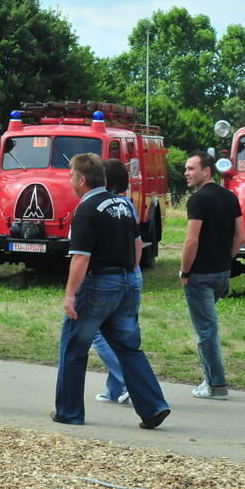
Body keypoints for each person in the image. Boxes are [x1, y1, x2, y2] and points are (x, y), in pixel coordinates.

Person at [53, 153, 170, 429]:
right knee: (129, 348)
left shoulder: (86, 209)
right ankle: (153, 406)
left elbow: (81, 257)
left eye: (71, 175)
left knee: (73, 347)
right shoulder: (121, 203)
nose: (69, 180)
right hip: (127, 280)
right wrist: (130, 273)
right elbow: (138, 244)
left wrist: (70, 294)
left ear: (81, 180)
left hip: (98, 284)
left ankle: (69, 412)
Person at [180, 151, 244, 400]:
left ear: (206, 171)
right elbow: (241, 237)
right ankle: (210, 377)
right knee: (207, 327)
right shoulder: (230, 197)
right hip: (222, 274)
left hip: (200, 275)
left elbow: (191, 240)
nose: (186, 173)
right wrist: (226, 260)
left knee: (205, 331)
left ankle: (216, 385)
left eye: (191, 168)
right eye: (186, 168)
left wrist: (185, 271)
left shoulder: (197, 200)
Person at [92, 159, 136, 407]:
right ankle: (114, 388)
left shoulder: (106, 206)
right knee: (116, 332)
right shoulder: (126, 204)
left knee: (97, 333)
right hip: (128, 273)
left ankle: (128, 380)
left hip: (112, 275)